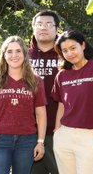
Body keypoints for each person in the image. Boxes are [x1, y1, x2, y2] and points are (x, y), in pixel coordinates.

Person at [0, 36, 47, 174]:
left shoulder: (36, 81)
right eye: (9, 51)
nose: (14, 55)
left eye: (18, 51)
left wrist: (40, 142)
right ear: (4, 55)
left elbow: (41, 113)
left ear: (24, 54)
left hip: (27, 140)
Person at [51, 30, 93, 173]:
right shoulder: (62, 75)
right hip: (64, 136)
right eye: (65, 50)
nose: (70, 53)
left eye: (73, 48)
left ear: (83, 46)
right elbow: (61, 106)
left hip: (90, 136)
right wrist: (57, 132)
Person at [29, 10, 61, 174]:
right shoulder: (21, 55)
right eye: (39, 24)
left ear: (57, 29)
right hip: (28, 133)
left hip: (59, 130)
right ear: (33, 28)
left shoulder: (66, 55)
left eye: (49, 24)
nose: (44, 28)